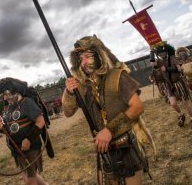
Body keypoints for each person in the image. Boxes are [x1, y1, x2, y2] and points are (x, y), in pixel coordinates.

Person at [63, 35, 149, 184]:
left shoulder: (117, 76)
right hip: (104, 150)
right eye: (80, 59)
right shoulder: (81, 85)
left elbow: (138, 107)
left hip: (126, 145)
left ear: (99, 56)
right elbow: (68, 112)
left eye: (88, 57)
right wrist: (69, 92)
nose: (83, 62)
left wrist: (109, 130)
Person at [0, 77, 49, 185]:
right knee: (27, 175)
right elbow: (10, 128)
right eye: (4, 95)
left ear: (15, 91)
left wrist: (29, 140)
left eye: (7, 94)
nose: (5, 98)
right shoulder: (10, 107)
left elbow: (40, 121)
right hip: (18, 149)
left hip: (31, 147)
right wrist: (2, 128)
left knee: (29, 179)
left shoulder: (26, 102)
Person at [150, 42, 192, 129]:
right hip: (169, 85)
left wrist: (167, 69)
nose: (162, 54)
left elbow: (179, 68)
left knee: (185, 102)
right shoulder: (159, 61)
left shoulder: (173, 58)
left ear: (167, 52)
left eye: (164, 52)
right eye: (160, 53)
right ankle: (181, 115)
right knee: (173, 103)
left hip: (178, 83)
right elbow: (153, 64)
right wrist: (152, 52)